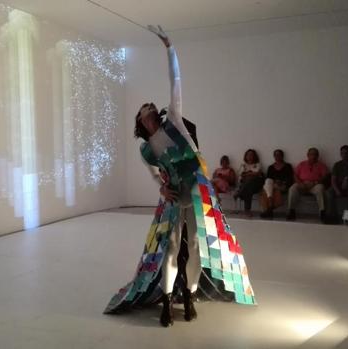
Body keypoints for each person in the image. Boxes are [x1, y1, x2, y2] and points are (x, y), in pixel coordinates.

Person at [104, 25, 255, 327]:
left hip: (199, 190)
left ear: (155, 115)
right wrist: (161, 190)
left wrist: (169, 47)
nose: (148, 111)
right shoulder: (147, 150)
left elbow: (176, 81)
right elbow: (154, 177)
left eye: (150, 108)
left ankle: (190, 295)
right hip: (174, 195)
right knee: (171, 247)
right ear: (140, 122)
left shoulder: (174, 121)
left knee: (197, 244)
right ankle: (167, 297)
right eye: (143, 112)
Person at [287, 147, 329, 222]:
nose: (313, 156)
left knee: (320, 188)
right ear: (308, 155)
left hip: (315, 185)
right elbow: (295, 175)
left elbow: (325, 177)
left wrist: (315, 183)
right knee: (292, 188)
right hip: (302, 184)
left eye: (315, 154)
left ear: (318, 156)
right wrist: (300, 183)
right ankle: (291, 211)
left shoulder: (321, 165)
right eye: (311, 154)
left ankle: (322, 212)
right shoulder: (302, 164)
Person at [326, 145, 348, 219]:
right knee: (329, 192)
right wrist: (336, 190)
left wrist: (346, 179)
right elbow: (333, 179)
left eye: (346, 153)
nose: (344, 155)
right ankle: (332, 216)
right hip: (339, 186)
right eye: (342, 153)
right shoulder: (337, 164)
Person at [259, 149, 294, 219]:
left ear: (282, 156)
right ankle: (270, 206)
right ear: (274, 156)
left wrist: (282, 182)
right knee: (268, 181)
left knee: (268, 189)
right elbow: (268, 178)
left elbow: (290, 178)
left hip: (283, 185)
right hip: (272, 185)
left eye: (279, 155)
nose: (278, 156)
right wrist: (275, 183)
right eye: (276, 155)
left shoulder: (288, 166)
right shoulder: (271, 167)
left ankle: (269, 209)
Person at [235, 149, 264, 216]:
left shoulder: (258, 164)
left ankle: (239, 193)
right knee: (248, 189)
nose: (250, 156)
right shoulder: (243, 165)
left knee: (250, 182)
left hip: (256, 184)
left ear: (254, 156)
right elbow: (240, 175)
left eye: (251, 155)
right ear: (246, 156)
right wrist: (250, 174)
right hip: (247, 185)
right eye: (248, 155)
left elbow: (257, 174)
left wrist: (247, 174)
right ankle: (247, 210)